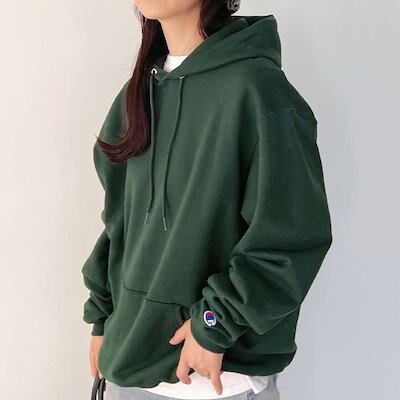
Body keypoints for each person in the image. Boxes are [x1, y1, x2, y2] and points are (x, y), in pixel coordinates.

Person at [81, 0, 333, 399]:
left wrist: (215, 323)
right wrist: (103, 317)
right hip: (130, 371)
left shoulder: (257, 89)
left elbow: (291, 237)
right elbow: (119, 226)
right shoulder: (137, 93)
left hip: (216, 381)